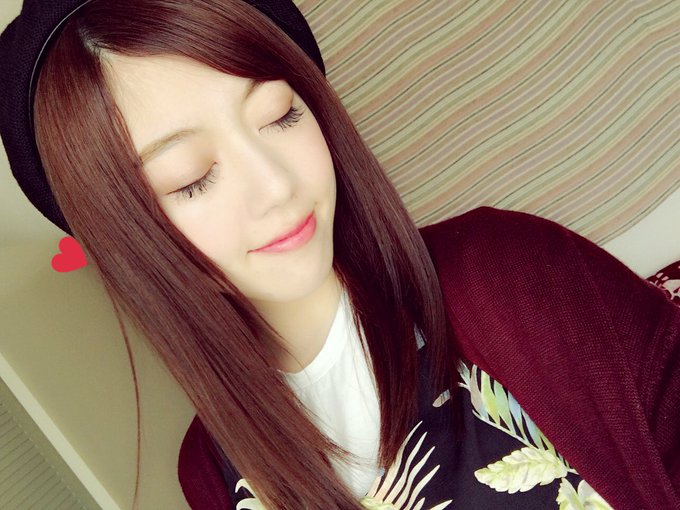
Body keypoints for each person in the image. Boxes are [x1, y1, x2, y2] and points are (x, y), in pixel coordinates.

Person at [1, 1, 678, 509]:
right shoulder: (209, 473)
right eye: (191, 177)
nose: (277, 184)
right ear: (130, 242)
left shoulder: (507, 276)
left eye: (279, 115)